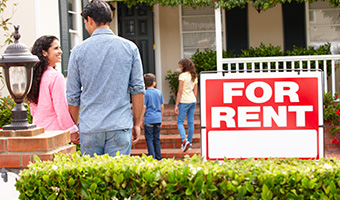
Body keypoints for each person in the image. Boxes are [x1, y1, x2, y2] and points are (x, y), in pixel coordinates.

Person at [66, 0, 145, 157]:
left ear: (89, 20)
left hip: (90, 127)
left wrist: (73, 127)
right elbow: (138, 90)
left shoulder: (78, 51)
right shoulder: (130, 47)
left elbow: (73, 96)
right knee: (117, 179)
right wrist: (137, 123)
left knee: (91, 179)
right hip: (119, 124)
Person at [27, 35, 79, 144]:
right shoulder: (55, 77)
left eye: (60, 48)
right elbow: (61, 109)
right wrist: (73, 131)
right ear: (44, 52)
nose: (60, 51)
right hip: (55, 134)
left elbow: (33, 110)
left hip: (38, 132)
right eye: (56, 48)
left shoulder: (33, 76)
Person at [175, 58, 198, 152]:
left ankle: (184, 140)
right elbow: (195, 91)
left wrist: (176, 105)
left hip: (184, 101)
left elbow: (180, 91)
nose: (180, 68)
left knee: (180, 122)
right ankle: (190, 142)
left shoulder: (182, 76)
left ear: (184, 66)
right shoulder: (194, 76)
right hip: (192, 100)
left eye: (180, 66)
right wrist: (194, 100)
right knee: (190, 122)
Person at [142, 73, 164, 160]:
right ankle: (159, 157)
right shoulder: (159, 93)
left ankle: (152, 157)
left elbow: (144, 107)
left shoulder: (145, 93)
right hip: (158, 118)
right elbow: (162, 106)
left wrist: (140, 120)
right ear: (154, 83)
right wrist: (161, 118)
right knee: (156, 139)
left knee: (149, 139)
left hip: (149, 119)